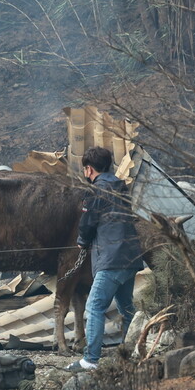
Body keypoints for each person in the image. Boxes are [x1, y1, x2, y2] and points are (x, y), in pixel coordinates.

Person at [66, 147, 144, 372]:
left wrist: (82, 240)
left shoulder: (96, 191)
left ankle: (90, 360)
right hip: (131, 256)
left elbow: (88, 222)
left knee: (94, 306)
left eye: (84, 170)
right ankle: (130, 354)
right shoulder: (122, 188)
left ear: (89, 169)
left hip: (112, 259)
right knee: (126, 307)